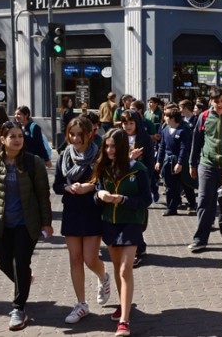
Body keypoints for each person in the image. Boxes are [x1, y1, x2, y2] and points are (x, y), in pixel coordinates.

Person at [0, 121, 52, 331]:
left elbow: (43, 195)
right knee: (3, 263)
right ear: (2, 139)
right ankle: (24, 279)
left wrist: (47, 222)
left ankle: (19, 308)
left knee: (20, 263)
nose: (17, 140)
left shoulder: (33, 162)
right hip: (1, 223)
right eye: (12, 136)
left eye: (20, 136)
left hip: (26, 224)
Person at [91, 128, 152, 337]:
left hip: (131, 223)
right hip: (109, 223)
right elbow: (96, 195)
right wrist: (99, 194)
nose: (109, 150)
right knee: (117, 268)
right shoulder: (103, 168)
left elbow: (147, 199)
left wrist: (123, 200)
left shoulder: (138, 169)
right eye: (107, 146)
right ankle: (123, 304)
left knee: (126, 268)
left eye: (113, 146)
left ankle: (124, 321)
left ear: (123, 147)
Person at [53, 117, 111, 324]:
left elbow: (105, 181)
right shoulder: (64, 156)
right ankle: (81, 304)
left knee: (89, 259)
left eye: (79, 134)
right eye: (72, 133)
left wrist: (90, 187)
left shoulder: (98, 156)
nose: (75, 138)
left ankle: (103, 277)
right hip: (71, 210)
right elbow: (57, 184)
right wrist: (67, 188)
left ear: (89, 134)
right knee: (75, 259)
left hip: (91, 210)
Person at [188, 88, 222, 252]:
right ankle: (200, 239)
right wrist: (192, 164)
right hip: (206, 164)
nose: (220, 104)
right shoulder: (204, 117)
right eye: (216, 101)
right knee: (204, 202)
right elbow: (196, 141)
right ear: (211, 101)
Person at [118, 110, 155, 267]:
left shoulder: (144, 139)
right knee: (124, 214)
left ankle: (138, 248)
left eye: (131, 123)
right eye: (125, 123)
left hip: (139, 180)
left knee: (137, 215)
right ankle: (134, 246)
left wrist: (150, 180)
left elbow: (149, 161)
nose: (128, 126)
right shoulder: (118, 137)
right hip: (122, 180)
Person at [156, 109, 192, 216]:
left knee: (185, 183)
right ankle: (171, 208)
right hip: (168, 160)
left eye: (166, 116)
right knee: (169, 185)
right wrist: (159, 161)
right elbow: (162, 146)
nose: (164, 118)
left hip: (179, 160)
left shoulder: (183, 130)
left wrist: (180, 163)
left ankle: (192, 203)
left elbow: (184, 148)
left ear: (172, 118)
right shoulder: (165, 129)